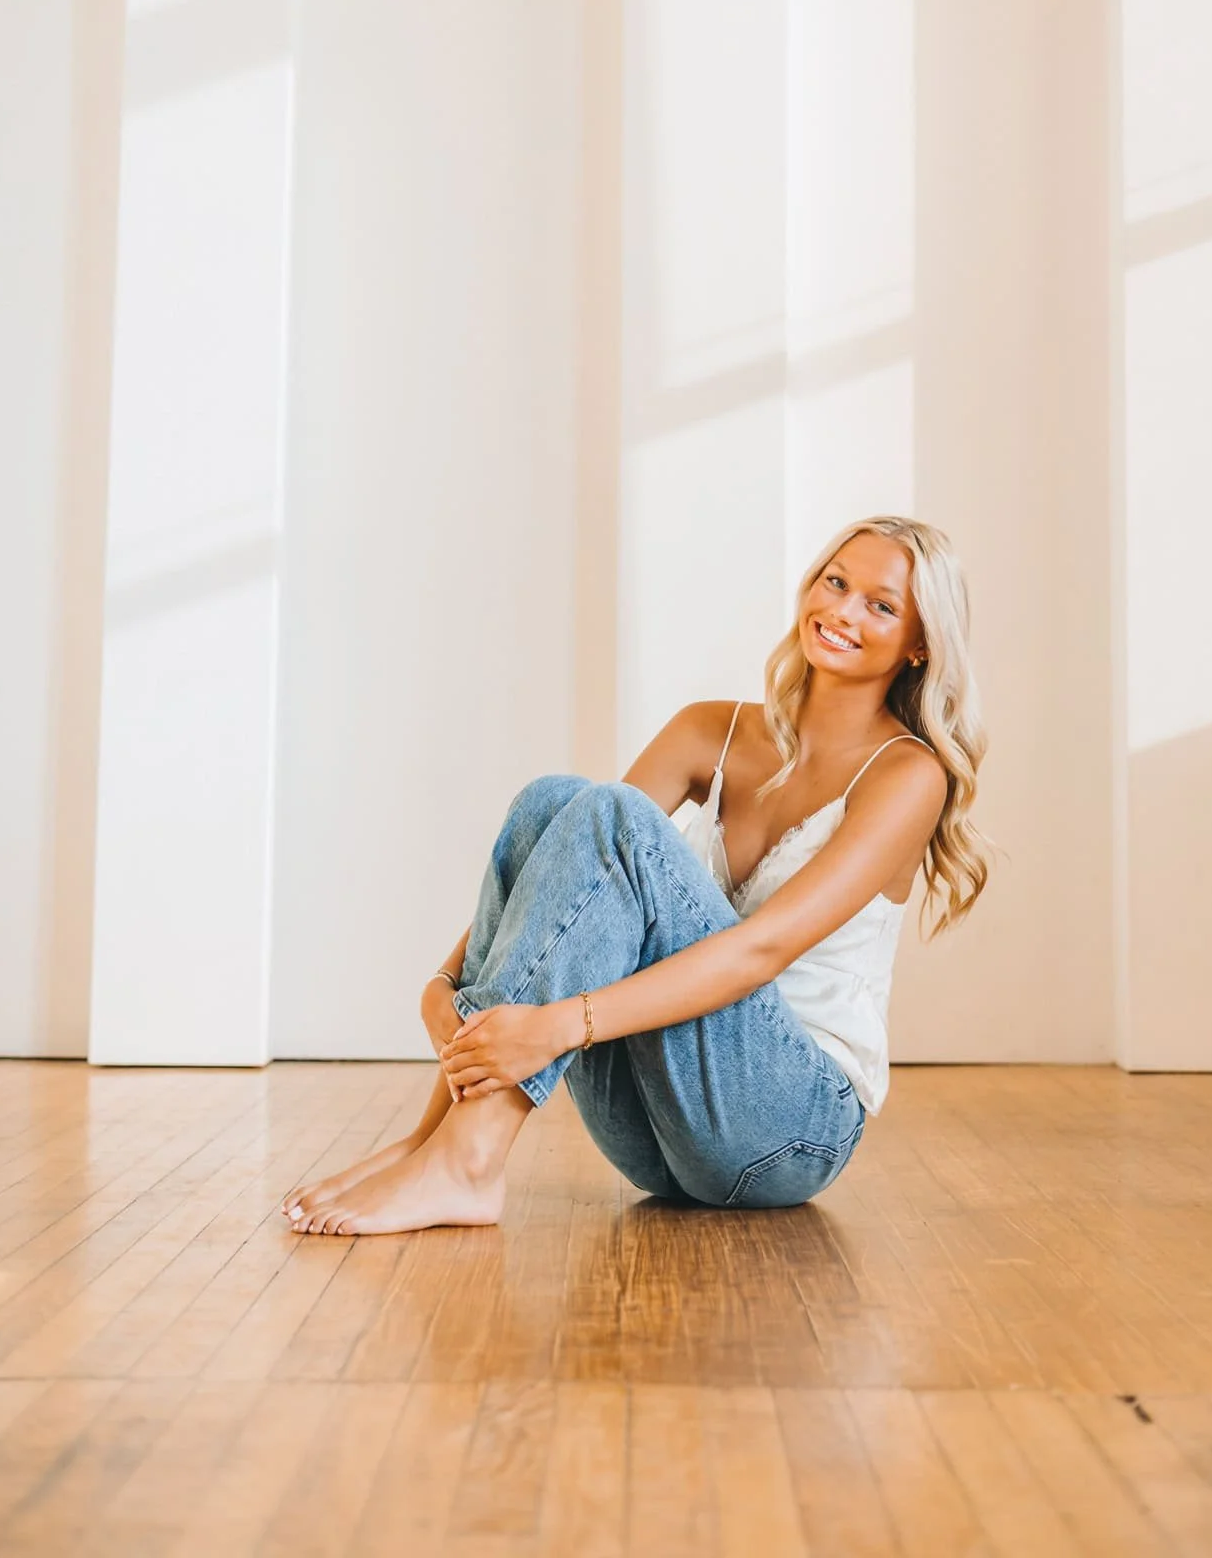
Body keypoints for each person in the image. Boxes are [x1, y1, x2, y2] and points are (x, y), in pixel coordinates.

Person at [284, 514, 989, 1235]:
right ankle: (436, 1144)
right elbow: (568, 871)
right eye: (835, 582)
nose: (841, 611)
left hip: (787, 1131)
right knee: (554, 803)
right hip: (656, 1140)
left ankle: (466, 1163)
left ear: (918, 644)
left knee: (612, 814)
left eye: (879, 604)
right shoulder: (709, 728)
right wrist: (446, 981)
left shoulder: (908, 775)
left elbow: (760, 952)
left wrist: (556, 1026)